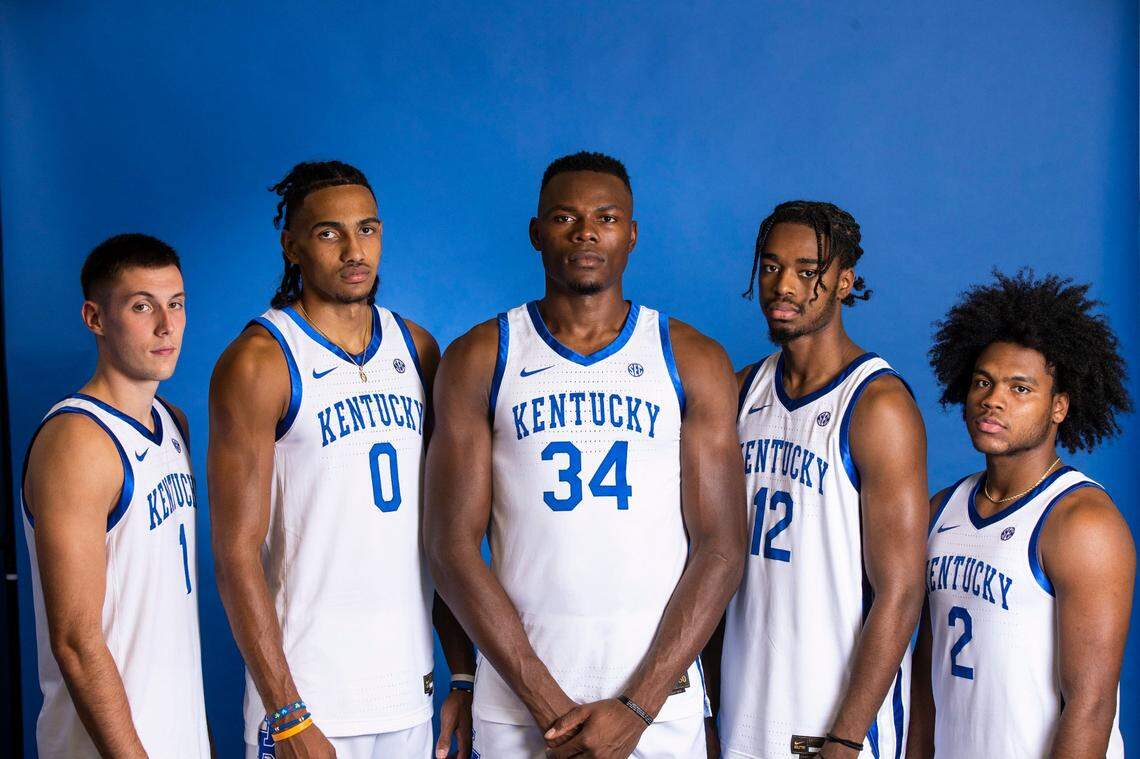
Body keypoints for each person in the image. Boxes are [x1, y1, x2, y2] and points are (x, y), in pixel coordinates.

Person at [425, 150, 747, 759]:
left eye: (605, 217)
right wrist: (548, 707)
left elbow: (722, 546)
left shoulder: (690, 358)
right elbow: (450, 547)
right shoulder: (482, 357)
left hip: (655, 699)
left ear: (631, 233)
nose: (585, 233)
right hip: (522, 697)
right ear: (536, 233)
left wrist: (637, 707)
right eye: (565, 218)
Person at [209, 160, 473, 759]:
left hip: (408, 691)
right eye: (330, 232)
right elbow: (234, 551)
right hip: (310, 700)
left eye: (368, 229)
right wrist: (286, 713)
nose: (355, 250)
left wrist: (463, 673)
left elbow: (440, 533)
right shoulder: (260, 361)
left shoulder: (418, 348)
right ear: (292, 245)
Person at [707, 201, 928, 758]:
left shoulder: (878, 405)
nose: (784, 285)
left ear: (844, 282)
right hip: (742, 707)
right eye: (771, 267)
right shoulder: (740, 391)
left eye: (809, 272)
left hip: (832, 725)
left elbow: (901, 591)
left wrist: (846, 738)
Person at [908, 270, 1133, 758]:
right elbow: (925, 674)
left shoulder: (1082, 522)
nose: (993, 400)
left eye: (1020, 388)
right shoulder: (941, 511)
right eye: (983, 382)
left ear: (1059, 407)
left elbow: (1090, 706)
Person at [22, 233, 207, 758]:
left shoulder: (173, 424)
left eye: (176, 304)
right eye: (142, 306)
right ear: (95, 318)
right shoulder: (77, 442)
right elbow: (76, 643)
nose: (166, 326)